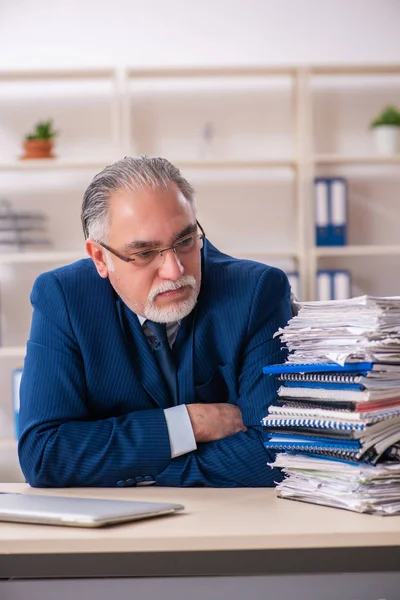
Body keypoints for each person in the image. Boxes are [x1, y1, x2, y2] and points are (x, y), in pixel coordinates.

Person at [18, 156, 292, 488]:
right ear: (100, 258)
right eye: (145, 253)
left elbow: (278, 453)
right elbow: (45, 454)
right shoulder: (63, 298)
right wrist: (189, 425)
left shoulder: (257, 292)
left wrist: (140, 472)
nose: (175, 270)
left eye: (185, 241)